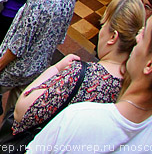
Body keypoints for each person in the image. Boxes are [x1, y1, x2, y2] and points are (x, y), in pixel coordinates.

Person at [3, 0, 144, 145]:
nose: (100, 32)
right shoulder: (131, 88)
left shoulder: (79, 74)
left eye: (103, 25)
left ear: (113, 37)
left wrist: (56, 68)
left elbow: (21, 112)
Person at [27, 8, 152, 151]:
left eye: (145, 34)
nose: (137, 37)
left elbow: (22, 113)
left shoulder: (78, 119)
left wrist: (55, 69)